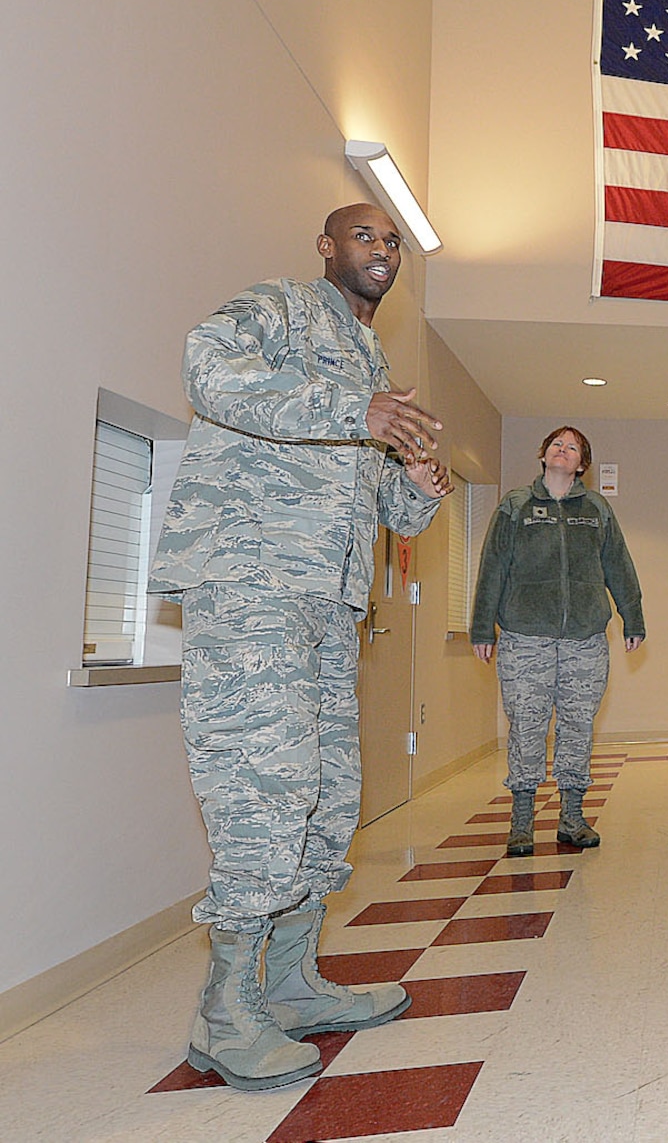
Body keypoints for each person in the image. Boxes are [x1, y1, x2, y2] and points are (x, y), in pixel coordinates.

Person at [151, 204, 451, 1091]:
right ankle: (225, 1009)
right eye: (366, 236)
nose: (383, 252)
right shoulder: (279, 310)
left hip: (327, 605)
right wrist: (352, 407)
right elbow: (204, 366)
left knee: (325, 793)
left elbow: (387, 511)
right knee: (262, 784)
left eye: (394, 241)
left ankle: (288, 979)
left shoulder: (373, 367)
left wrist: (421, 488)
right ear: (328, 247)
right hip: (249, 580)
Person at [472, 425, 644, 856]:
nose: (562, 450)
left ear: (582, 463)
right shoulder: (515, 506)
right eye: (556, 445)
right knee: (527, 726)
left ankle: (571, 817)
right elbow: (492, 567)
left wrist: (633, 618)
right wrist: (481, 626)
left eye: (572, 447)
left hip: (584, 639)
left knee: (577, 726)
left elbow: (619, 566)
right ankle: (522, 821)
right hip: (524, 638)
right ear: (543, 454)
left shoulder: (597, 509)